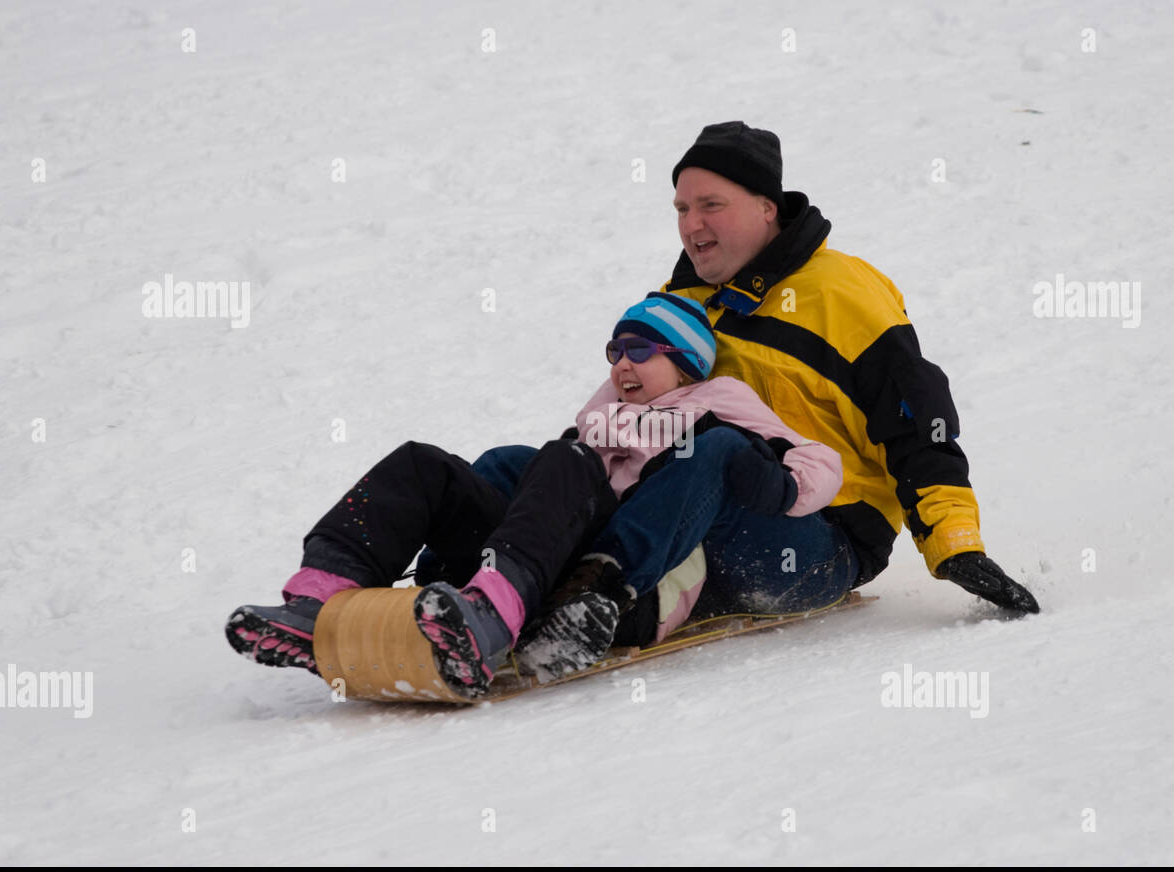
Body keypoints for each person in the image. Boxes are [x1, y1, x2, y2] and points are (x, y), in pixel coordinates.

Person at [482, 121, 1040, 669]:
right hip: (679, 506)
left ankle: (600, 601)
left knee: (713, 452)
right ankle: (476, 588)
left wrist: (955, 543)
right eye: (681, 209)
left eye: (711, 205)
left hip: (817, 535)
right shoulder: (685, 301)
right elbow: (623, 414)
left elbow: (918, 422)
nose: (691, 224)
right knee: (518, 465)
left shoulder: (843, 293)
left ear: (766, 207)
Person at [225, 292, 843, 695]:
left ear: (684, 363)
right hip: (558, 557)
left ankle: (494, 616)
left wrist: (779, 485)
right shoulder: (599, 419)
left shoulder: (717, 404)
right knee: (438, 465)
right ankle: (319, 600)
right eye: (614, 351)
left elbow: (819, 463)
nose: (621, 365)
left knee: (569, 458)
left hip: (622, 585)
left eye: (639, 351)